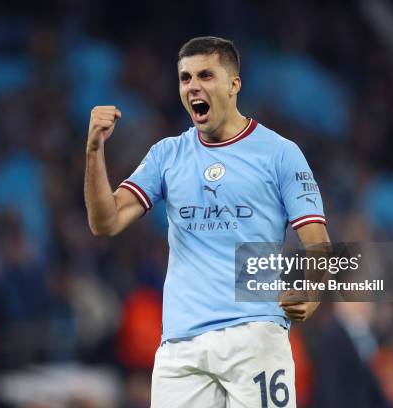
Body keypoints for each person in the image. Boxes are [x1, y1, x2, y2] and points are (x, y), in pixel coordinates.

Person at [84, 36, 330, 408]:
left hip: (254, 335)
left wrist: (311, 294)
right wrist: (94, 152)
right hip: (181, 347)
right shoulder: (167, 155)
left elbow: (318, 243)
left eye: (205, 75)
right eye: (185, 78)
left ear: (234, 85)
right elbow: (106, 222)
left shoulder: (280, 154)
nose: (193, 86)